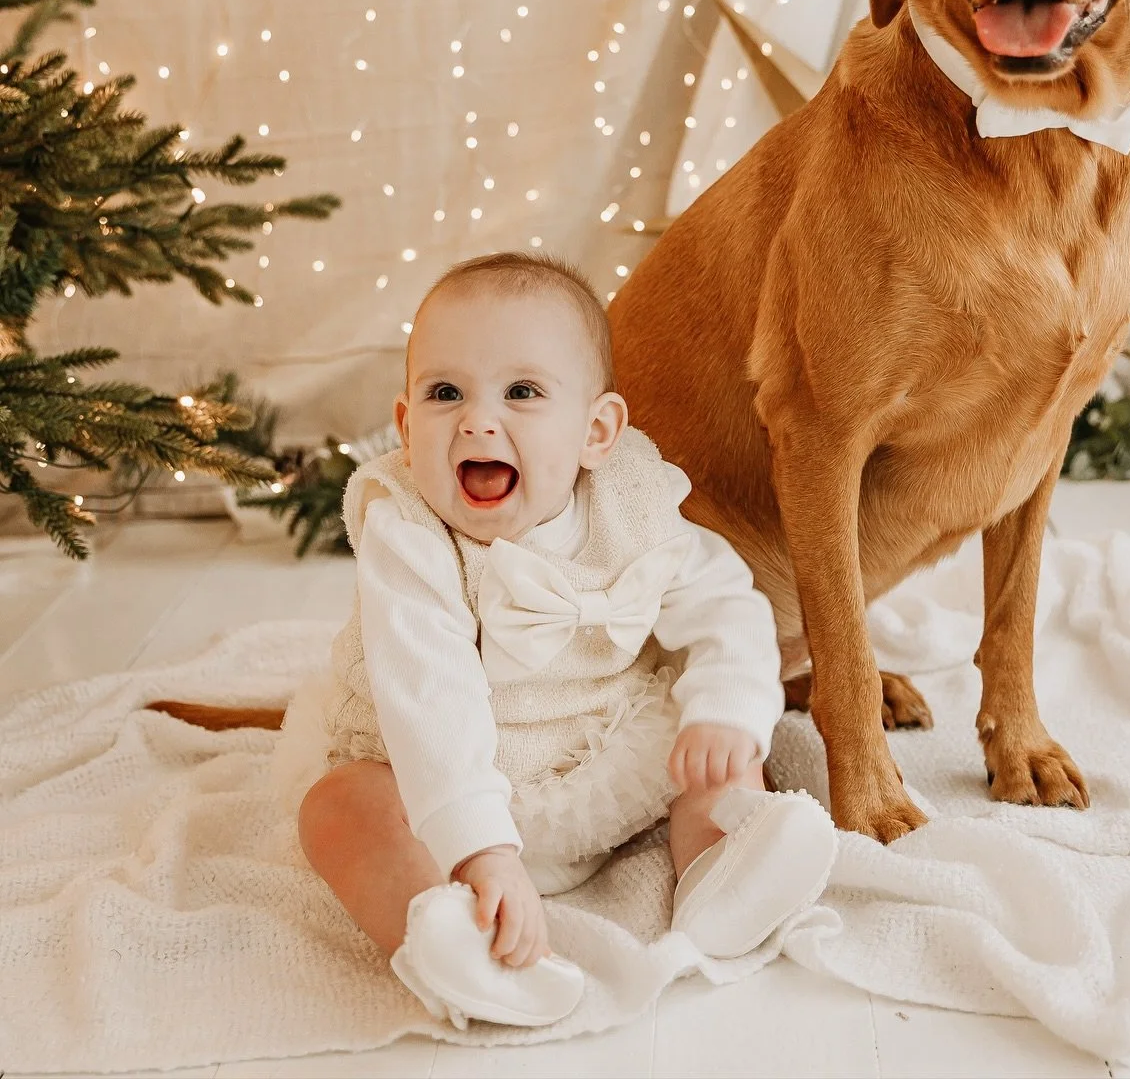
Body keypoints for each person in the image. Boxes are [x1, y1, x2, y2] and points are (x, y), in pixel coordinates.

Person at [278, 250, 836, 1029]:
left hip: (601, 761)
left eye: (523, 392)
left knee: (720, 740)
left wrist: (725, 710)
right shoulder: (405, 529)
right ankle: (448, 941)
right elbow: (427, 694)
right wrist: (481, 851)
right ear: (407, 425)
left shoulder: (633, 507)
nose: (478, 419)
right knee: (335, 808)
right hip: (440, 786)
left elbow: (724, 604)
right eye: (445, 393)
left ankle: (722, 872)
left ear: (596, 431)